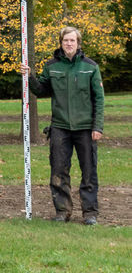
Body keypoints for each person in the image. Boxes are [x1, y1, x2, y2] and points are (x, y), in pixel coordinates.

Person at [21, 25, 104, 224]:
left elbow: (99, 99)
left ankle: (90, 213)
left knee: (89, 171)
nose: (69, 43)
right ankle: (62, 211)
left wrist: (97, 126)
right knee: (58, 170)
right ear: (61, 43)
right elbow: (41, 90)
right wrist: (29, 77)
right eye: (65, 40)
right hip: (60, 127)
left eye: (72, 40)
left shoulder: (90, 67)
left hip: (85, 128)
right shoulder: (52, 66)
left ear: (78, 43)